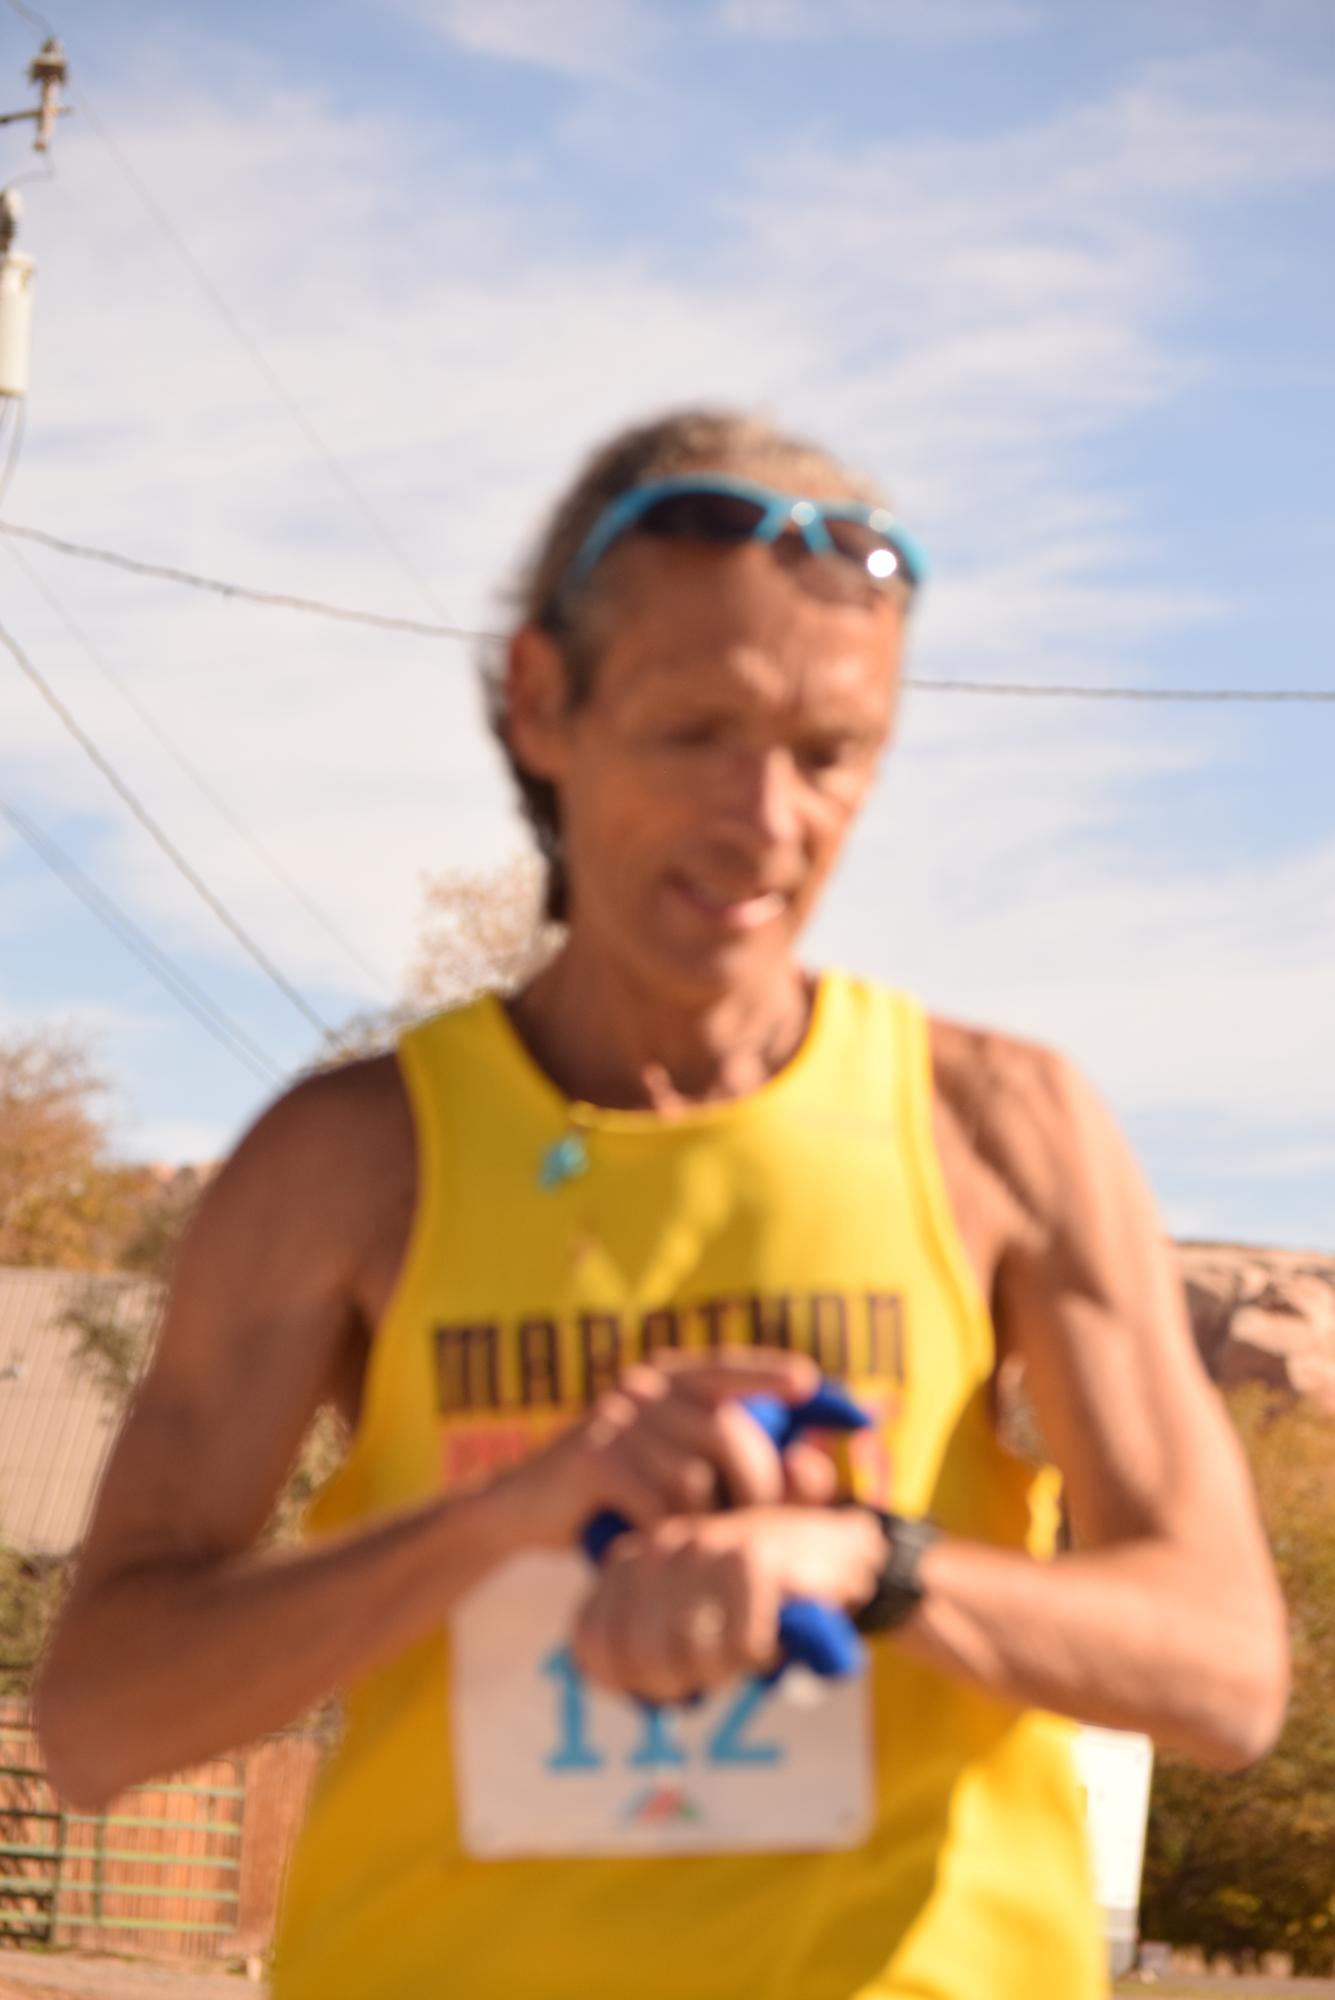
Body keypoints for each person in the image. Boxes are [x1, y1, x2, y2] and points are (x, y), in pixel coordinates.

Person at [36, 410, 1289, 2000]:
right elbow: (98, 1722)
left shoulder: (1002, 1130)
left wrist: (865, 1565)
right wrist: (507, 1518)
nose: (765, 818)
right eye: (696, 731)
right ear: (542, 702)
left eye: (828, 753)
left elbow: (1226, 1670)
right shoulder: (348, 1163)